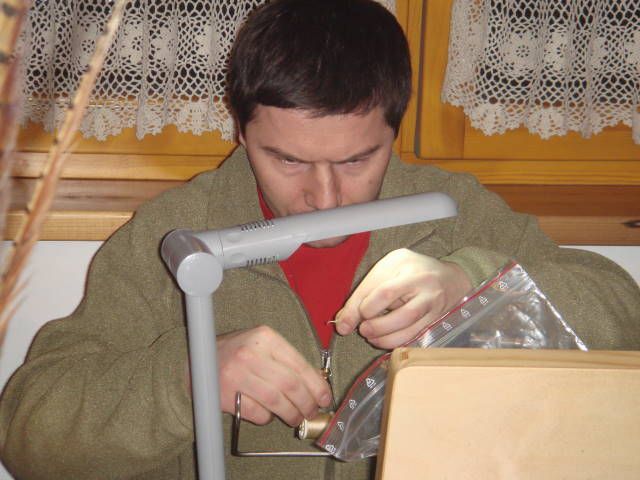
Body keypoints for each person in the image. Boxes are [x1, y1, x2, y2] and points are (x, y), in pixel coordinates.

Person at [1, 0, 639, 478]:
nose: (326, 199)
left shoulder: (454, 211)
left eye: (358, 160)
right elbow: (28, 437)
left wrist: (475, 285)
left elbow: (621, 313)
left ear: (393, 132)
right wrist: (188, 375)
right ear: (240, 131)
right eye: (288, 160)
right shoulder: (173, 235)